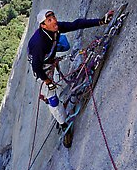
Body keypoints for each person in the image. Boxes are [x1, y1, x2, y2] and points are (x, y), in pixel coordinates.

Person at [27, 9, 113, 146]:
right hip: (42, 69)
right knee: (53, 100)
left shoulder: (54, 29)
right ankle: (63, 124)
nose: (54, 20)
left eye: (53, 17)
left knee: (64, 44)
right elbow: (36, 68)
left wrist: (101, 21)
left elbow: (75, 24)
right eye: (49, 20)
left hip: (48, 58)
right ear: (43, 25)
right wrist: (48, 81)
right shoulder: (38, 43)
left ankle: (58, 105)